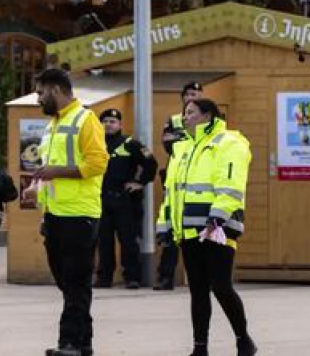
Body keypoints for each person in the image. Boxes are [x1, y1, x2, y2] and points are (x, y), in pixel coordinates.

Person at [158, 97, 256, 356]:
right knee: (198, 291)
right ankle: (199, 348)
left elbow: (231, 184)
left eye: (191, 112)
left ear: (207, 116)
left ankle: (243, 340)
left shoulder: (229, 142)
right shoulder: (182, 149)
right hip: (189, 230)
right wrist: (165, 226)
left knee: (221, 286)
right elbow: (172, 193)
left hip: (218, 228)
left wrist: (217, 218)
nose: (185, 117)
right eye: (184, 113)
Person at [25, 68, 109, 356]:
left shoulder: (86, 120)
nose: (38, 99)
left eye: (41, 92)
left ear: (56, 90)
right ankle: (84, 341)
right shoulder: (53, 125)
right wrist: (38, 193)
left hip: (80, 214)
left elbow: (98, 163)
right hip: (55, 215)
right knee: (67, 281)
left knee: (75, 281)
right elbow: (49, 170)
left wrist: (56, 172)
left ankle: (69, 343)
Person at [94, 108, 156, 290]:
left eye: (112, 122)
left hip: (124, 201)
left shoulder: (130, 144)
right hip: (100, 199)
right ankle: (104, 278)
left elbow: (151, 164)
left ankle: (132, 278)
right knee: (104, 242)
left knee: (128, 241)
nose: (108, 125)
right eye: (105, 121)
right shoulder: (95, 144)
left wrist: (140, 183)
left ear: (120, 124)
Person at [154, 82, 202, 291]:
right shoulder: (174, 120)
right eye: (188, 94)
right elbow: (168, 144)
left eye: (196, 94)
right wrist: (187, 138)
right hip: (176, 178)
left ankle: (203, 278)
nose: (192, 97)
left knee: (200, 233)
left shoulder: (210, 118)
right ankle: (166, 277)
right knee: (171, 231)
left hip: (198, 180)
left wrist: (181, 138)